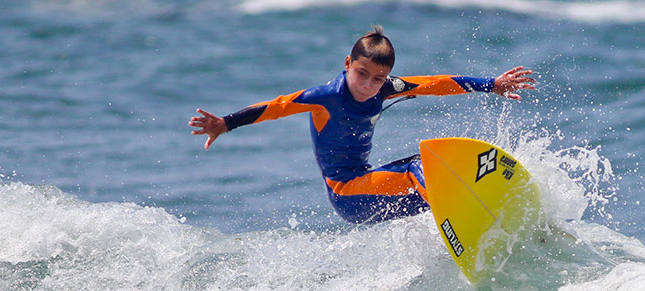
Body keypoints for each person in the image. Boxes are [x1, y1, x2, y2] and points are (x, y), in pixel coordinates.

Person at [189, 26, 535, 224]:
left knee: (431, 170)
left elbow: (435, 83)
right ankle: (461, 217)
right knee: (422, 167)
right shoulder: (325, 97)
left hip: (369, 189)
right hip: (347, 194)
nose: (368, 84)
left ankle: (487, 222)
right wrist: (226, 123)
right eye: (361, 73)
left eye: (377, 78)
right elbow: (276, 107)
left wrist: (491, 84)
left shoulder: (386, 89)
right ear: (347, 64)